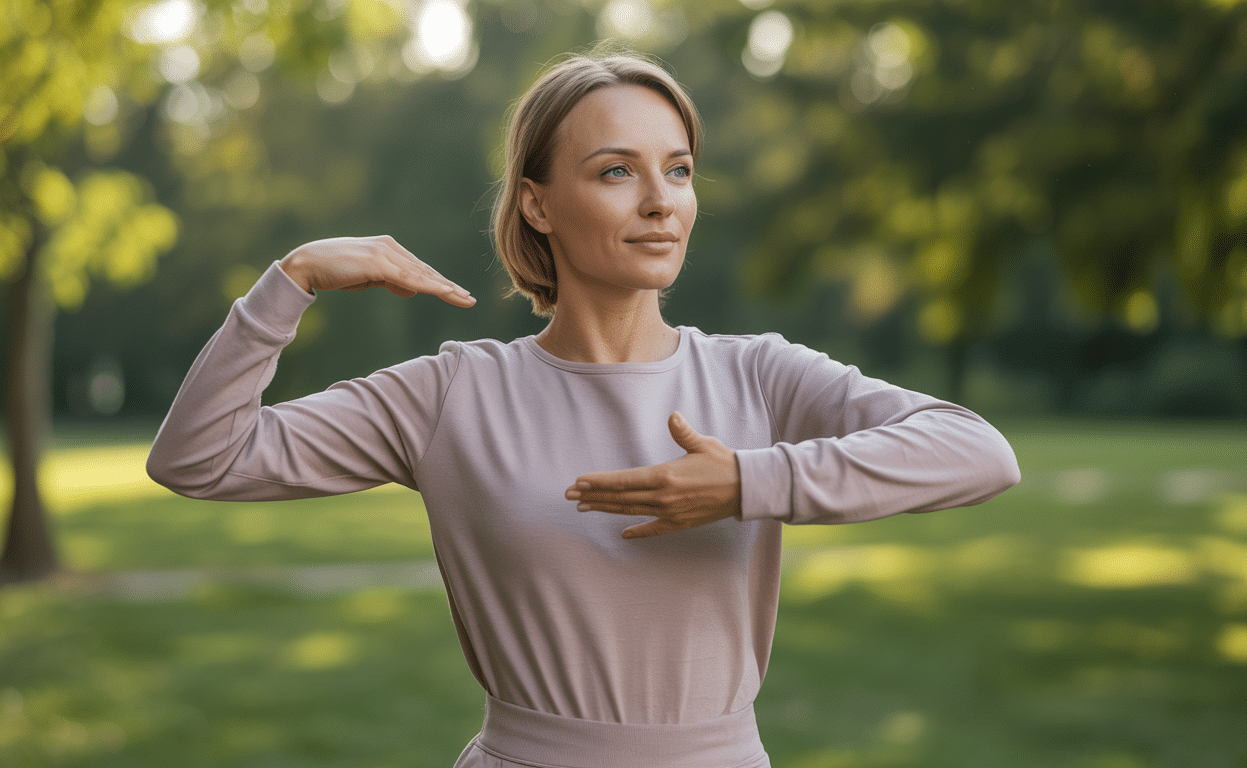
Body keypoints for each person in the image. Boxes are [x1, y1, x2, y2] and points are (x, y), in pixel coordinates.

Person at [147, 48, 1020, 768]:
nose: (660, 201)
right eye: (616, 171)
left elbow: (979, 453)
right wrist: (289, 282)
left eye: (677, 170)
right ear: (537, 203)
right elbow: (200, 458)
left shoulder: (758, 376)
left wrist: (750, 482)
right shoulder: (451, 394)